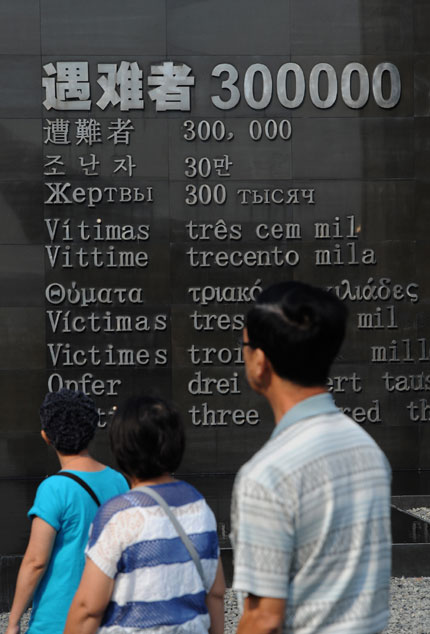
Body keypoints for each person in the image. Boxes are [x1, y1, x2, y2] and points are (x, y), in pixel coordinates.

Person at [231, 281, 391, 634]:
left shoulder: (267, 475)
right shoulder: (368, 450)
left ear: (260, 362)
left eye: (244, 345)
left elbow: (263, 618)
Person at [65, 395, 225, 634]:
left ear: (121, 448)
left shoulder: (118, 515)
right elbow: (216, 592)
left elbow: (89, 607)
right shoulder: (199, 507)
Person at [6, 388, 129, 634]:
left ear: (46, 436)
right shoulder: (119, 482)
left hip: (57, 622)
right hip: (106, 618)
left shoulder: (53, 488)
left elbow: (35, 562)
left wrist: (13, 621)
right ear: (92, 431)